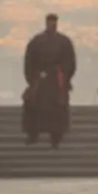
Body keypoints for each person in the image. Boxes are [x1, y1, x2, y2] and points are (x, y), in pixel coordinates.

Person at [22, 13, 77, 147]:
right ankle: (33, 135)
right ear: (46, 23)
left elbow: (70, 63)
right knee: (34, 107)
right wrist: (32, 79)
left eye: (54, 22)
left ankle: (55, 138)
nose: (52, 25)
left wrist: (65, 77)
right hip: (40, 80)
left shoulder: (64, 42)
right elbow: (29, 62)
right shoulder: (37, 41)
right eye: (50, 22)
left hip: (57, 81)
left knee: (57, 110)